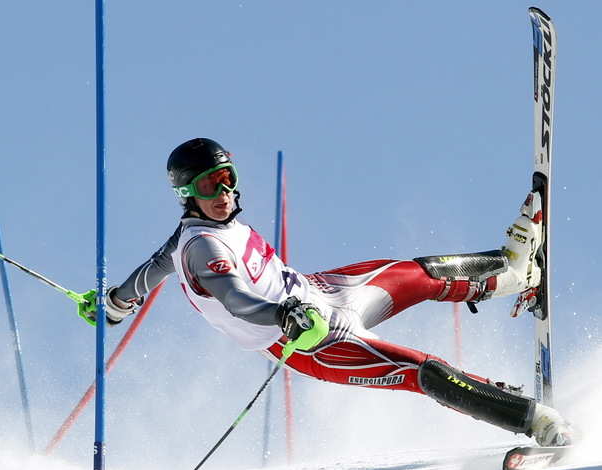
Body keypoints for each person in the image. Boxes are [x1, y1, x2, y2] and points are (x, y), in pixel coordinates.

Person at [83, 137, 573, 447]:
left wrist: (115, 304)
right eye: (211, 186)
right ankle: (537, 422)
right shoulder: (201, 248)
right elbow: (236, 299)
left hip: (320, 293)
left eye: (228, 178)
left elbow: (149, 272)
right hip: (307, 339)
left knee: (416, 273)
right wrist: (282, 315)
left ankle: (513, 274)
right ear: (188, 195)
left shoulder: (185, 238)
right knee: (420, 371)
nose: (225, 193)